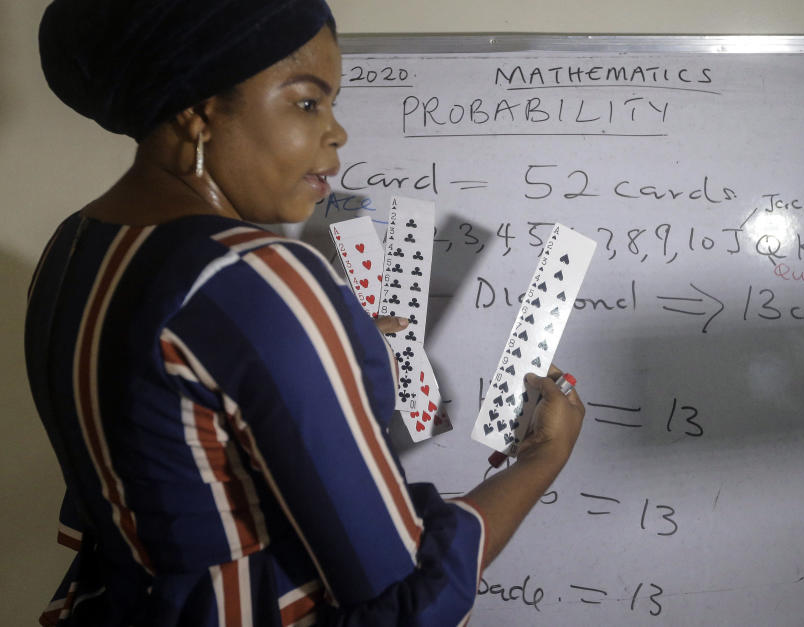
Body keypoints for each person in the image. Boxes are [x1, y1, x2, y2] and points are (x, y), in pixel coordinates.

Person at [27, 1, 585, 625]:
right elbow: (402, 601)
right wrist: (542, 458)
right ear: (198, 110)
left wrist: (310, 347)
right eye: (306, 102)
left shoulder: (77, 243)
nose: (337, 132)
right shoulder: (258, 273)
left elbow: (168, 442)